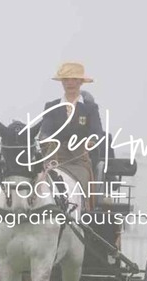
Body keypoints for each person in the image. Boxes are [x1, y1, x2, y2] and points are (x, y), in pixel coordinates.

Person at [40, 62, 105, 209]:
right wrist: (45, 139)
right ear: (62, 82)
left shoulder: (90, 108)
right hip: (54, 159)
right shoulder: (51, 106)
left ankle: (83, 211)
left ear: (81, 82)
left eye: (74, 79)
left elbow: (97, 132)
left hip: (78, 160)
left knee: (81, 184)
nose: (70, 83)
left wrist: (92, 141)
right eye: (66, 79)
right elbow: (45, 130)